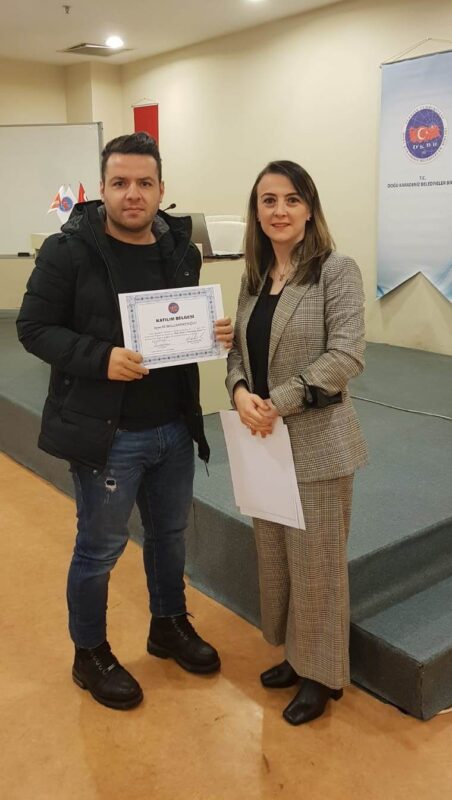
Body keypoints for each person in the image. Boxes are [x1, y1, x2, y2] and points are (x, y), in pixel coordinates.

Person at [17, 132, 233, 710]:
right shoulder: (67, 252)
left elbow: (177, 326)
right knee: (100, 548)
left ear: (161, 189)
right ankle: (89, 653)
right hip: (107, 434)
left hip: (174, 427)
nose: (132, 194)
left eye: (144, 183)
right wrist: (101, 358)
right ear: (103, 188)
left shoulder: (181, 249)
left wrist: (211, 330)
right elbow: (33, 328)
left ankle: (168, 624)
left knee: (169, 536)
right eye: (120, 183)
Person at [226, 160, 368, 725]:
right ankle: (297, 654)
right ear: (256, 212)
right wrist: (240, 391)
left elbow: (346, 355)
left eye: (291, 199)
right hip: (263, 442)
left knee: (318, 566)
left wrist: (275, 401)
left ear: (310, 208)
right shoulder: (254, 277)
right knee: (278, 559)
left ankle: (322, 675)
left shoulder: (336, 270)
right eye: (268, 200)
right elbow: (237, 351)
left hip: (317, 442)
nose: (279, 210)